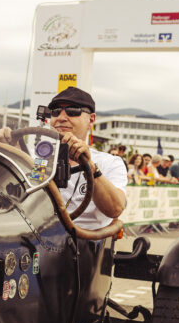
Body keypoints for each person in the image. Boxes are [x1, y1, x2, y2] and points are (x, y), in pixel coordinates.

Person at [42, 87, 127, 232]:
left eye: (72, 111)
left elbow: (115, 209)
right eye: (55, 112)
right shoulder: (36, 157)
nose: (61, 117)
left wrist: (90, 167)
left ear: (91, 119)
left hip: (85, 240)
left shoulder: (110, 162)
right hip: (37, 235)